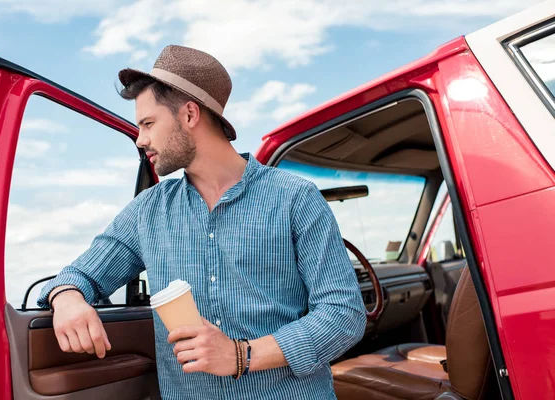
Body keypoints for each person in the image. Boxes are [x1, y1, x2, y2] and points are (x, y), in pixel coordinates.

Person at [38, 45, 367, 400]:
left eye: (148, 123)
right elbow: (81, 274)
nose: (141, 139)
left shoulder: (294, 198)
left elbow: (343, 314)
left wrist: (241, 355)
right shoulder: (148, 211)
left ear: (190, 114)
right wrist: (67, 297)